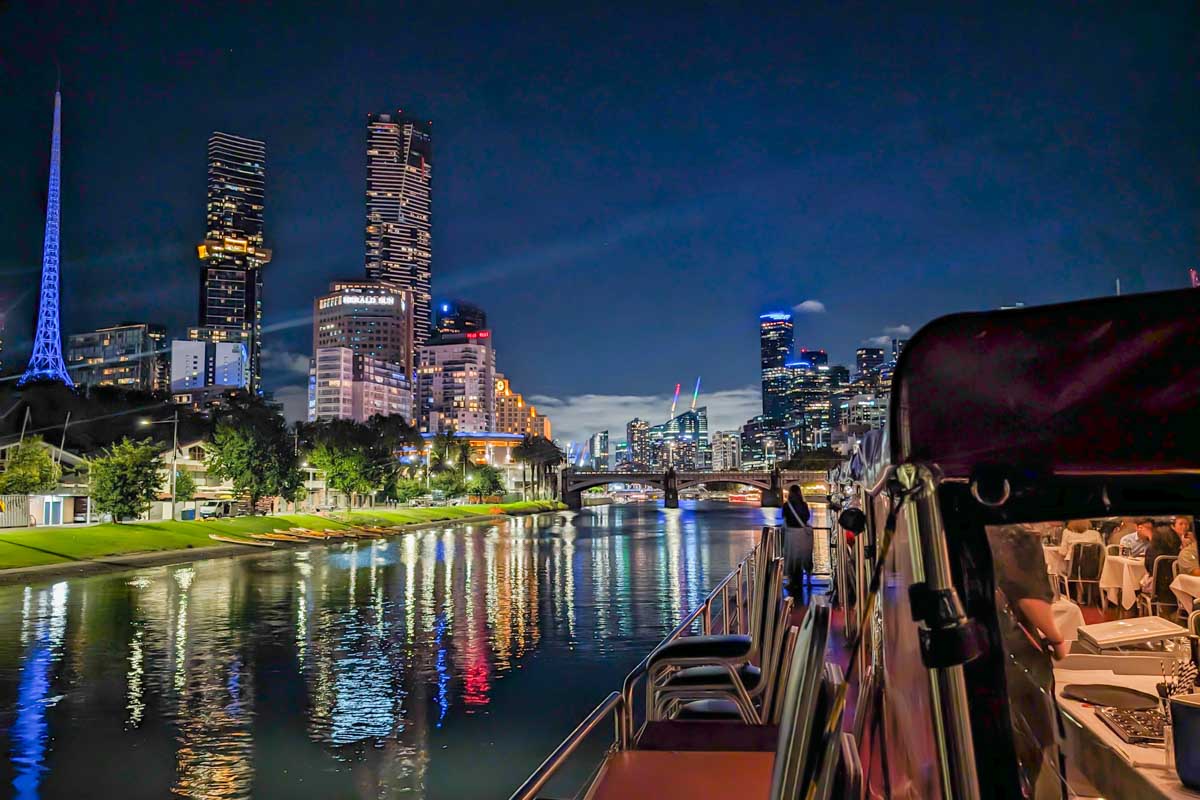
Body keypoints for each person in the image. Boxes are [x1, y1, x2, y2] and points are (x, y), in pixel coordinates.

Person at [1141, 522, 1183, 604]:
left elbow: (1149, 569)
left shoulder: (1151, 550)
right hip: (1177, 587)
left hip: (1158, 588)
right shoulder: (1178, 551)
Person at [782, 484, 813, 590]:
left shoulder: (787, 505)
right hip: (803, 534)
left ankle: (792, 582)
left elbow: (784, 517)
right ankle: (808, 581)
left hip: (791, 534)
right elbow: (807, 517)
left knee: (791, 559)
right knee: (805, 557)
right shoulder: (804, 504)